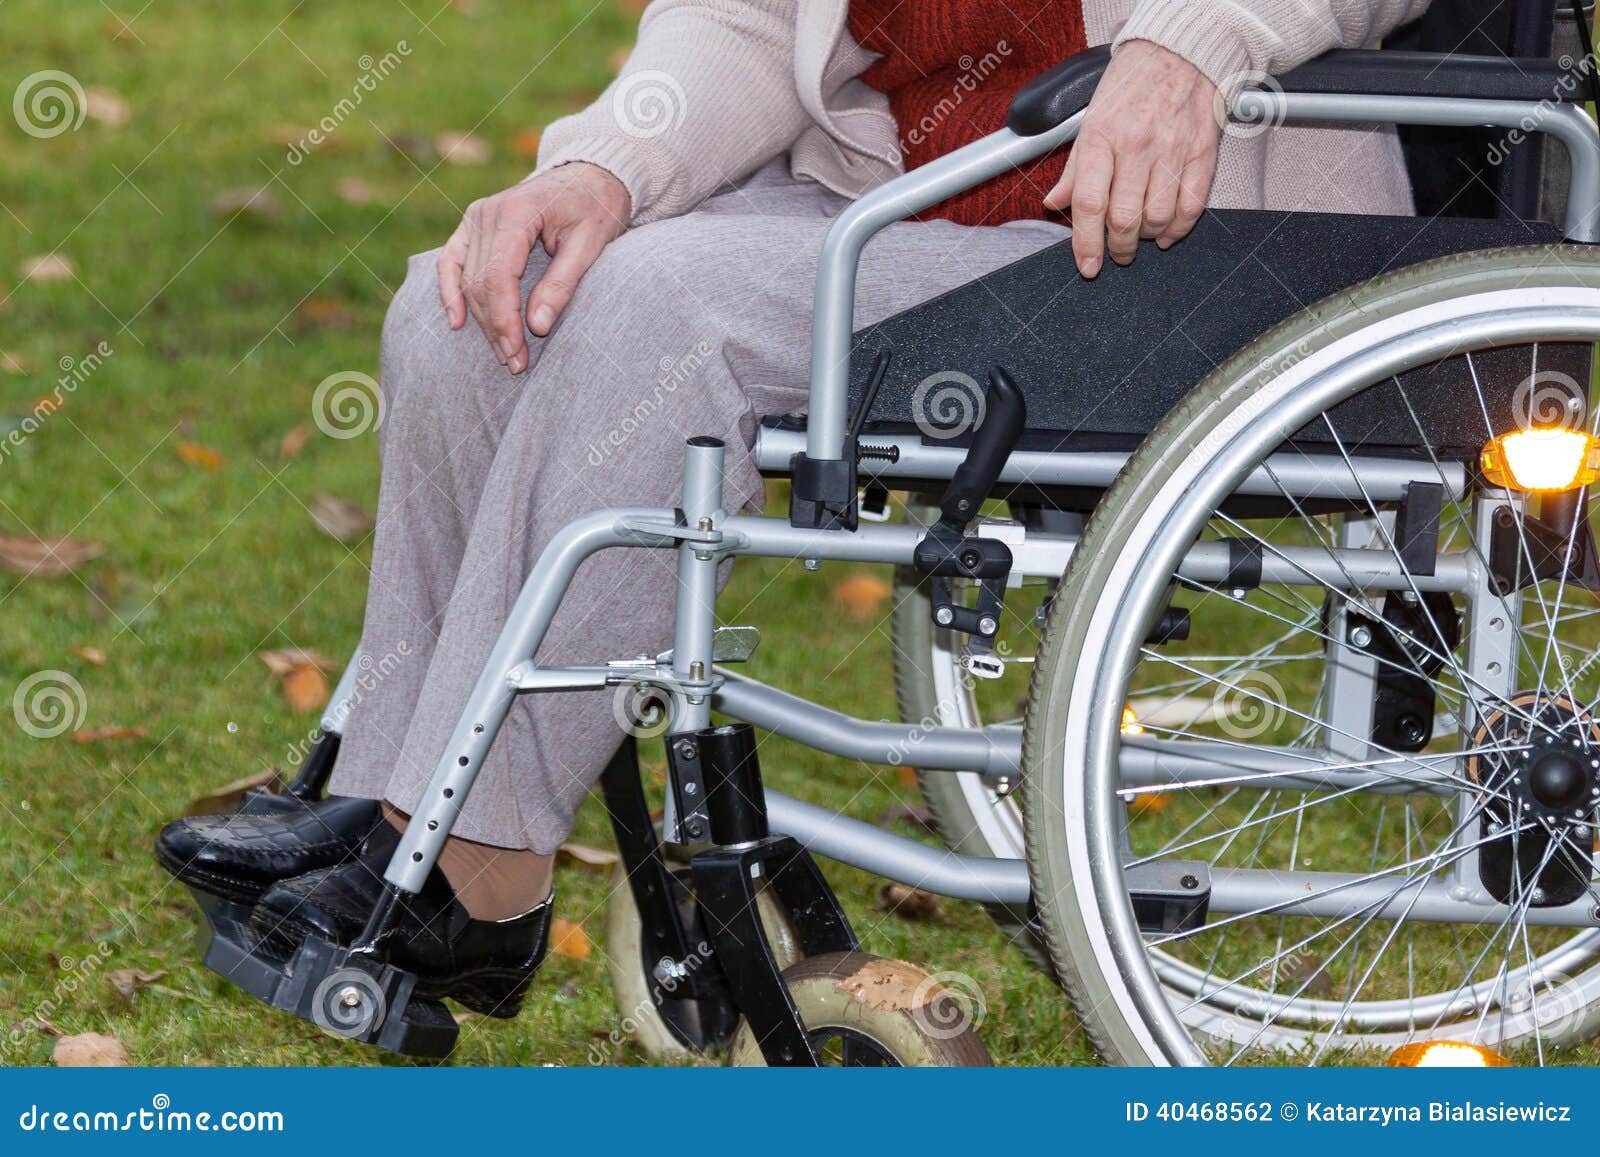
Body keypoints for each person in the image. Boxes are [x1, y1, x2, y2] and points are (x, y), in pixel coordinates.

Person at [157, 0, 1428, 1018]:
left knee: (662, 313)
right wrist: (605, 164)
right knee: (467, 304)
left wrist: (1185, 44)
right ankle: (383, 791)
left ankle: (472, 859)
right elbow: (749, 25)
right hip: (906, 206)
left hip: (1180, 237)